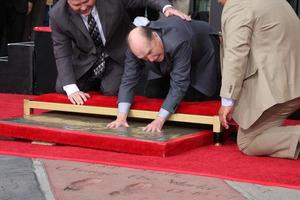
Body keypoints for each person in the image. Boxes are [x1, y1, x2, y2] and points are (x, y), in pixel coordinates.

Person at [49, 0, 190, 105]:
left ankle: (105, 81)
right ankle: (93, 81)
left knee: (112, 91)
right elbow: (62, 51)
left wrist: (166, 7)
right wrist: (71, 87)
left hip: (117, 53)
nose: (84, 7)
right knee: (64, 88)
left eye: (87, 1)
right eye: (77, 5)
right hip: (85, 58)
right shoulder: (57, 15)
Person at [107, 16, 221, 132]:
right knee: (153, 91)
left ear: (155, 36)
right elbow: (128, 79)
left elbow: (179, 83)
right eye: (144, 57)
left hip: (202, 47)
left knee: (195, 95)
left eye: (150, 52)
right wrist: (121, 117)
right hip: (169, 53)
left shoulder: (178, 41)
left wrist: (159, 120)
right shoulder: (136, 49)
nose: (150, 59)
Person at [217, 0, 300, 159]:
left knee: (248, 141)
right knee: (263, 132)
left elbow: (236, 54)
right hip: (291, 82)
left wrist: (228, 100)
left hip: (280, 88)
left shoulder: (237, 5)